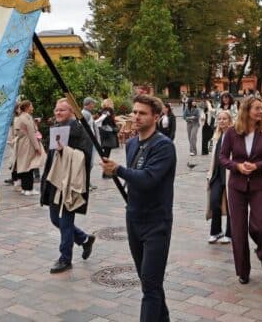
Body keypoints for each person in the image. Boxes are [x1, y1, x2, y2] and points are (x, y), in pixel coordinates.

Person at [100, 95, 177, 322]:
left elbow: (148, 179)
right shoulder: (132, 143)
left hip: (157, 223)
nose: (136, 116)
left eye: (142, 113)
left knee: (150, 287)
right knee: (149, 282)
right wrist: (120, 173)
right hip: (134, 218)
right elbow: (134, 179)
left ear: (156, 116)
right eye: (134, 112)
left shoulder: (164, 146)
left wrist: (119, 170)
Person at [219, 97, 262, 284]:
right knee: (238, 230)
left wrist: (256, 166)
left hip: (259, 185)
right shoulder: (232, 132)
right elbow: (222, 157)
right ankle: (243, 271)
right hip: (236, 186)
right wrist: (237, 166)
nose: (261, 111)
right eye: (257, 108)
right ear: (247, 110)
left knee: (260, 226)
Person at [41, 99, 96, 273]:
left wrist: (65, 151)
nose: (58, 113)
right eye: (56, 110)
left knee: (66, 221)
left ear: (72, 111)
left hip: (70, 182)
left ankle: (65, 258)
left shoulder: (81, 130)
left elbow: (85, 155)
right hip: (54, 179)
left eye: (62, 110)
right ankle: (84, 239)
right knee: (54, 219)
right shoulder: (56, 127)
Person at [207, 110, 233, 244]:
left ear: (230, 121)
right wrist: (209, 173)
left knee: (230, 205)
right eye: (219, 119)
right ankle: (216, 231)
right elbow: (213, 156)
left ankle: (230, 233)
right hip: (217, 174)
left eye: (224, 119)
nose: (221, 121)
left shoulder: (234, 135)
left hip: (229, 174)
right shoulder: (217, 135)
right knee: (214, 201)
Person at [14, 101, 44, 196]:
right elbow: (31, 133)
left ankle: (24, 188)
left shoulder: (20, 117)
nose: (32, 108)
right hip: (28, 143)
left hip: (22, 143)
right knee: (29, 166)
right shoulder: (27, 118)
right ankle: (29, 189)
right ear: (27, 107)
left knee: (24, 165)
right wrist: (37, 147)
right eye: (31, 106)